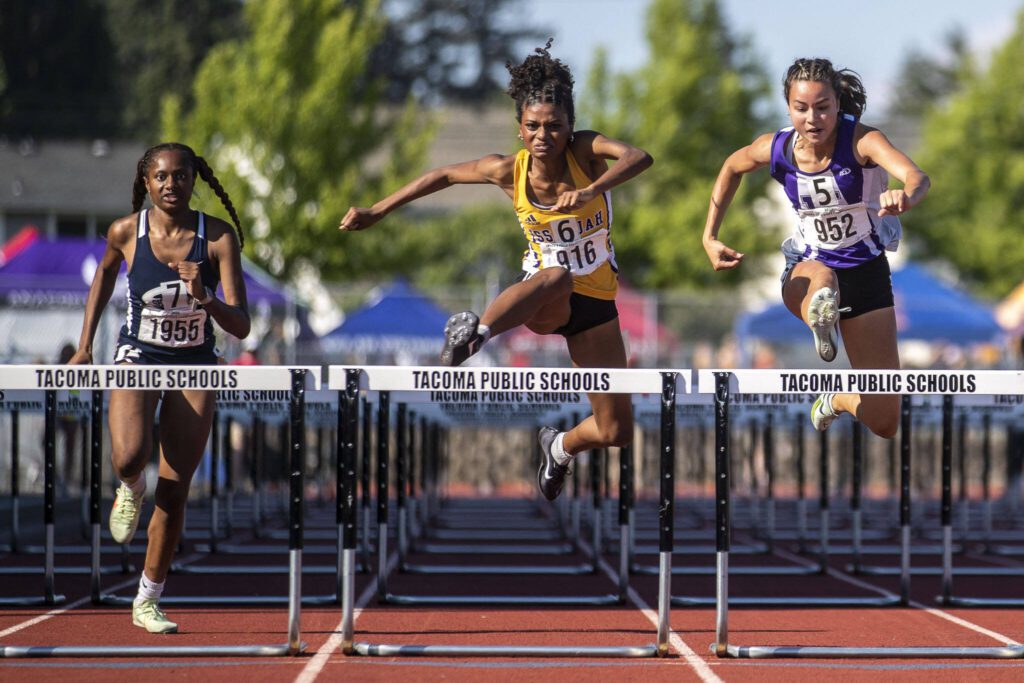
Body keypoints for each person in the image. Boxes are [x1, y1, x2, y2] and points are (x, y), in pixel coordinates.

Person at [340, 40, 653, 500]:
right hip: (543, 296)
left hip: (598, 305)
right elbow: (443, 175)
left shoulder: (586, 151)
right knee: (558, 275)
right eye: (533, 127)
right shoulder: (508, 171)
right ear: (519, 128)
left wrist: (592, 191)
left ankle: (559, 447)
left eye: (554, 126)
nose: (544, 136)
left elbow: (638, 157)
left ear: (570, 127)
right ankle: (476, 334)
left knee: (615, 430)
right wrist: (379, 210)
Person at [69, 143, 250, 633]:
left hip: (194, 363)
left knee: (174, 491)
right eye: (162, 177)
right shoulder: (127, 232)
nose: (172, 185)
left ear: (196, 180)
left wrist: (205, 298)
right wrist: (85, 347)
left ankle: (147, 599)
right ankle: (130, 486)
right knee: (129, 456)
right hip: (139, 356)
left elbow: (242, 326)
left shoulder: (217, 239)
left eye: (181, 176)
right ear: (146, 183)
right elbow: (103, 277)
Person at [702, 58, 929, 439]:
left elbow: (917, 176)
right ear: (788, 107)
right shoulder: (778, 148)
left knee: (885, 420)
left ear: (838, 105)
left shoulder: (863, 141)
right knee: (823, 279)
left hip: (865, 273)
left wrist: (905, 196)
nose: (812, 118)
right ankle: (820, 317)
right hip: (808, 267)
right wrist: (709, 236)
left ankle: (836, 399)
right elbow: (731, 166)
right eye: (801, 108)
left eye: (823, 107)